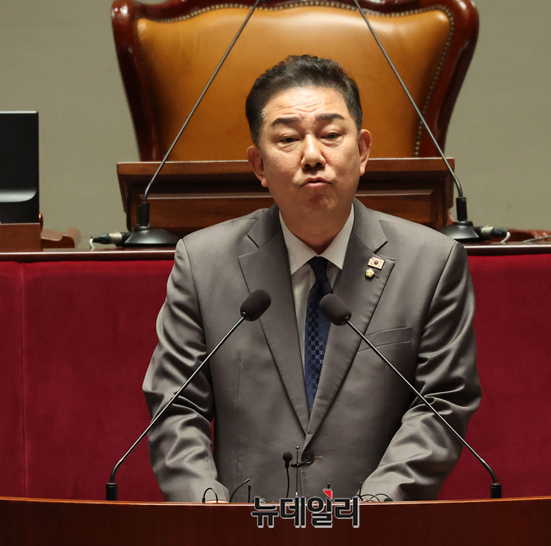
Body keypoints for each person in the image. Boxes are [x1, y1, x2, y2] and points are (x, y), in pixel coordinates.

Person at [143, 55, 480, 503]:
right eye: (287, 139)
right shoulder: (203, 264)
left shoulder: (431, 264)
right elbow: (176, 407)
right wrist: (209, 510)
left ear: (362, 151)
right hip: (244, 527)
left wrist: (374, 510)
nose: (313, 156)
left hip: (376, 527)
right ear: (259, 165)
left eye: (330, 135)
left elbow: (441, 402)